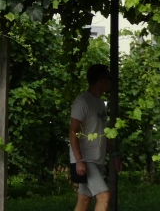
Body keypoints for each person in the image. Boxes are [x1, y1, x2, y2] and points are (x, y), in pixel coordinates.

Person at [69, 63, 121, 211]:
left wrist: (114, 155)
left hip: (97, 159)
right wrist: (79, 161)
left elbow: (103, 132)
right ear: (101, 81)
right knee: (104, 196)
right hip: (85, 160)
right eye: (109, 78)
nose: (111, 82)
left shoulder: (99, 103)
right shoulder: (82, 102)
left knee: (84, 199)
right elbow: (73, 132)